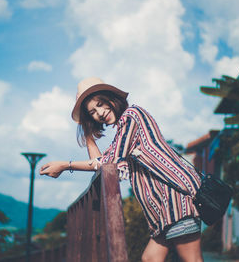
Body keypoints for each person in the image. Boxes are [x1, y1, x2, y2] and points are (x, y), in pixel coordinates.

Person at [40, 77, 204, 262]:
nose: (100, 113)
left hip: (175, 201)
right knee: (150, 258)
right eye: (92, 112)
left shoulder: (132, 116)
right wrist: (88, 131)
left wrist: (65, 165)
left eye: (101, 104)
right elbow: (99, 164)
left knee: (192, 259)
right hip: (162, 210)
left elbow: (107, 162)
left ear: (111, 98)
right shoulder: (121, 133)